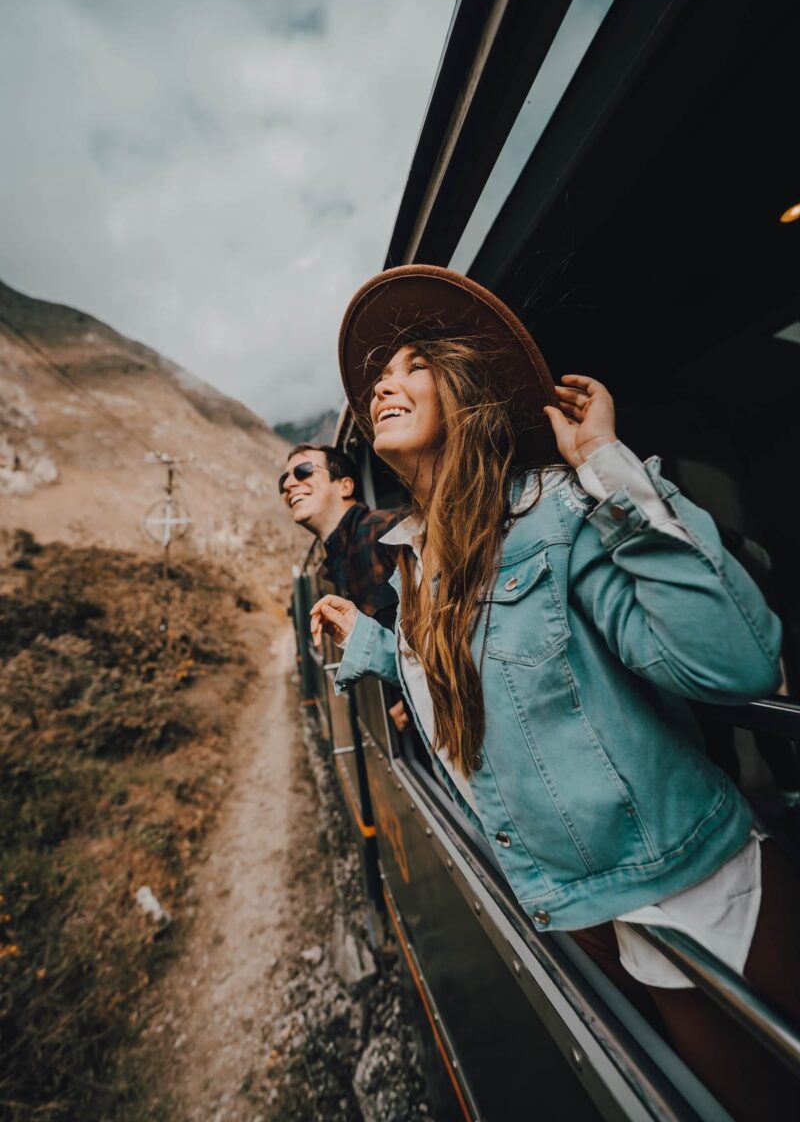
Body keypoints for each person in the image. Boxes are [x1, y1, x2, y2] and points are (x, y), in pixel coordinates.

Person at [310, 264, 800, 1121]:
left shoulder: (558, 512)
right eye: (380, 376)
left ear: (461, 393)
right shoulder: (417, 563)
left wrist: (609, 468)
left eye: (412, 366)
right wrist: (379, 649)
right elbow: (487, 670)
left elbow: (734, 667)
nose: (384, 382)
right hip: (578, 907)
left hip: (692, 898)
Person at [280, 443, 410, 730]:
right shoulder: (337, 564)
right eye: (284, 480)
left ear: (345, 486)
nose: (289, 484)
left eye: (302, 471)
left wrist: (414, 702)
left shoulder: (391, 532)